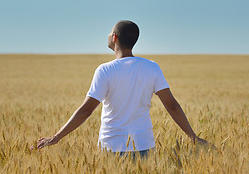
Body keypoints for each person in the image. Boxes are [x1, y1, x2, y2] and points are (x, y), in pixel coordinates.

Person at [35, 20, 213, 155]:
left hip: (112, 147)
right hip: (144, 146)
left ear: (114, 38)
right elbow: (172, 105)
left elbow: (86, 110)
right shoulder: (152, 67)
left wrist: (56, 137)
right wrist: (193, 137)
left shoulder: (105, 70)